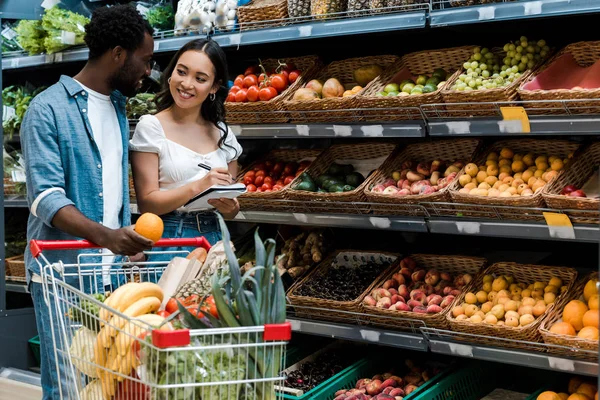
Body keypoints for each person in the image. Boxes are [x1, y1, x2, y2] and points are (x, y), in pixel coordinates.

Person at [20, 5, 155, 399]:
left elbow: (110, 186)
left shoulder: (117, 106)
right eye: (144, 60)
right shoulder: (46, 109)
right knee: (68, 386)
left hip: (111, 274)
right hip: (63, 274)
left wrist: (123, 237)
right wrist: (107, 237)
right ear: (118, 54)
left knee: (108, 385)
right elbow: (46, 199)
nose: (148, 70)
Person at [130, 38, 242, 259]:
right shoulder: (151, 127)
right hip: (171, 238)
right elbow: (147, 203)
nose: (187, 84)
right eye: (182, 72)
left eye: (200, 79)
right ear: (171, 73)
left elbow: (230, 206)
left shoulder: (223, 134)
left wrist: (231, 209)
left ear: (214, 87)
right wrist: (199, 186)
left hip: (215, 238)